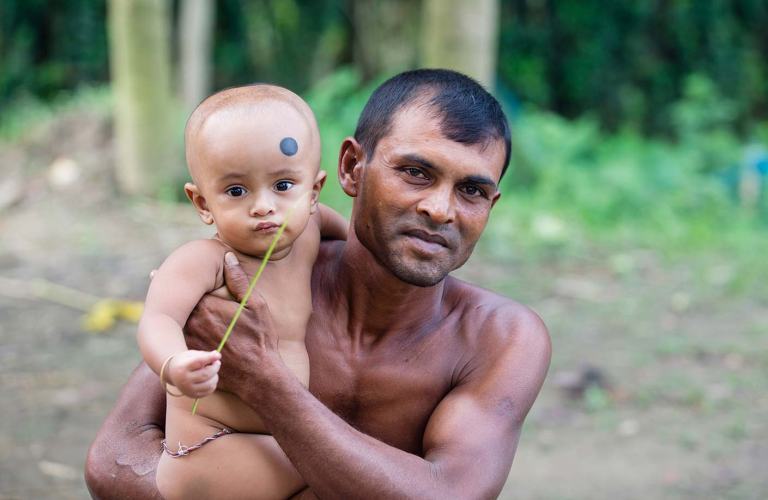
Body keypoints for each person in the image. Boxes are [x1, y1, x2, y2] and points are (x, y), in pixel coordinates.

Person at [86, 69, 551, 499]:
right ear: (351, 168)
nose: (440, 209)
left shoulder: (500, 338)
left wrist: (264, 380)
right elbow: (112, 463)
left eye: (472, 190)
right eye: (415, 172)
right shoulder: (255, 275)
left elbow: (450, 495)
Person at [136, 84, 347, 499]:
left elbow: (363, 253)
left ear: (314, 191)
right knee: (343, 476)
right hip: (210, 451)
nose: (263, 206)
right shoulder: (203, 260)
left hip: (277, 437)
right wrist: (174, 364)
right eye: (236, 191)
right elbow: (158, 319)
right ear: (201, 203)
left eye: (284, 185)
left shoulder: (314, 228)